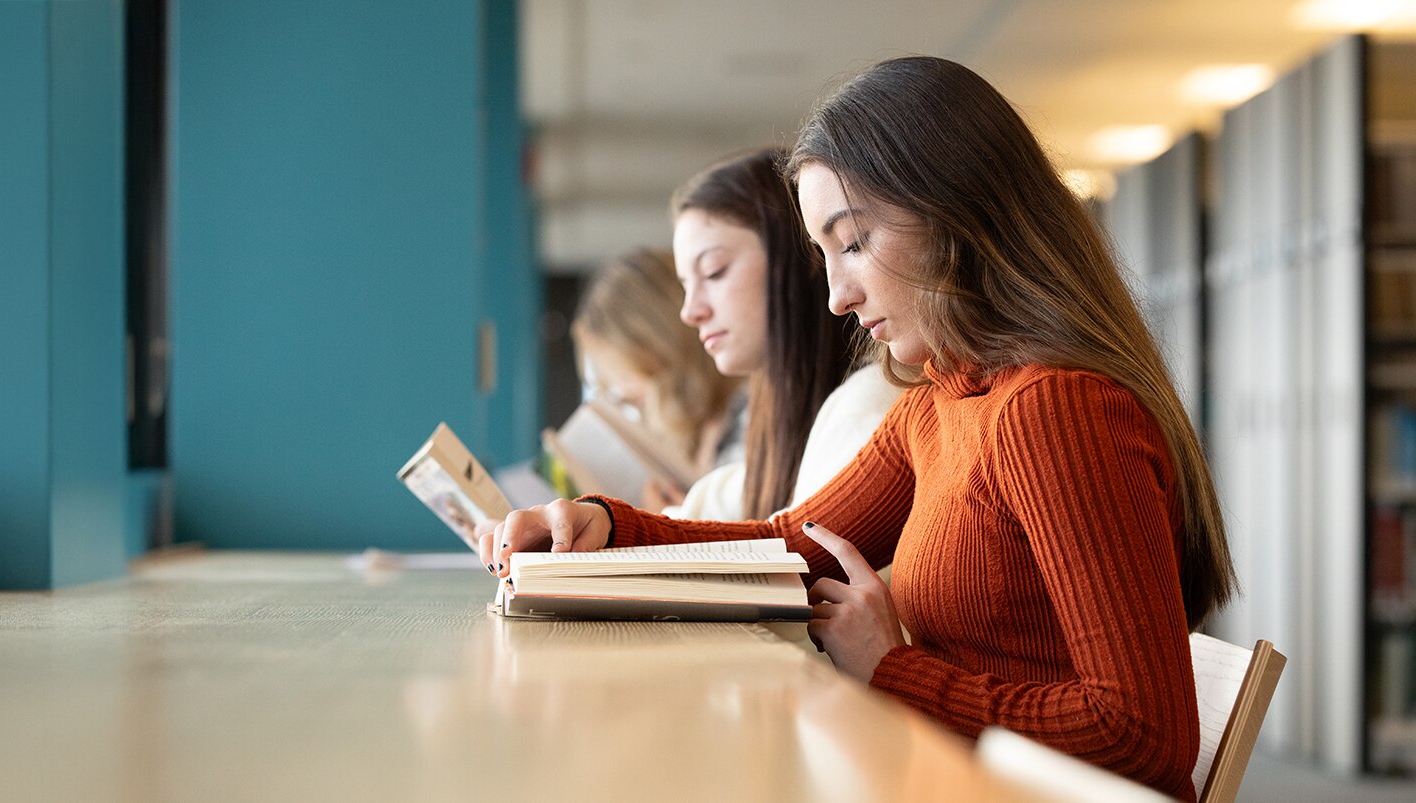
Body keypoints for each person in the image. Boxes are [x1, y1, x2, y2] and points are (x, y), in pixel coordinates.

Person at [480, 56, 1236, 802]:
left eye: (853, 241)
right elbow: (791, 545)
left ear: (955, 214)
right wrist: (604, 529)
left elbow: (1143, 735)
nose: (838, 296)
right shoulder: (941, 400)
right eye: (823, 254)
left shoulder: (1054, 409)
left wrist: (894, 671)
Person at [664, 148, 902, 521]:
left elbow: (799, 558)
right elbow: (719, 504)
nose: (690, 311)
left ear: (799, 257)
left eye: (713, 273)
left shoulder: (867, 406)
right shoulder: (778, 420)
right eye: (685, 285)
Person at [570, 247, 747, 505]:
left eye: (620, 370)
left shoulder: (748, 418)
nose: (620, 390)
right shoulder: (691, 432)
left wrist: (668, 523)